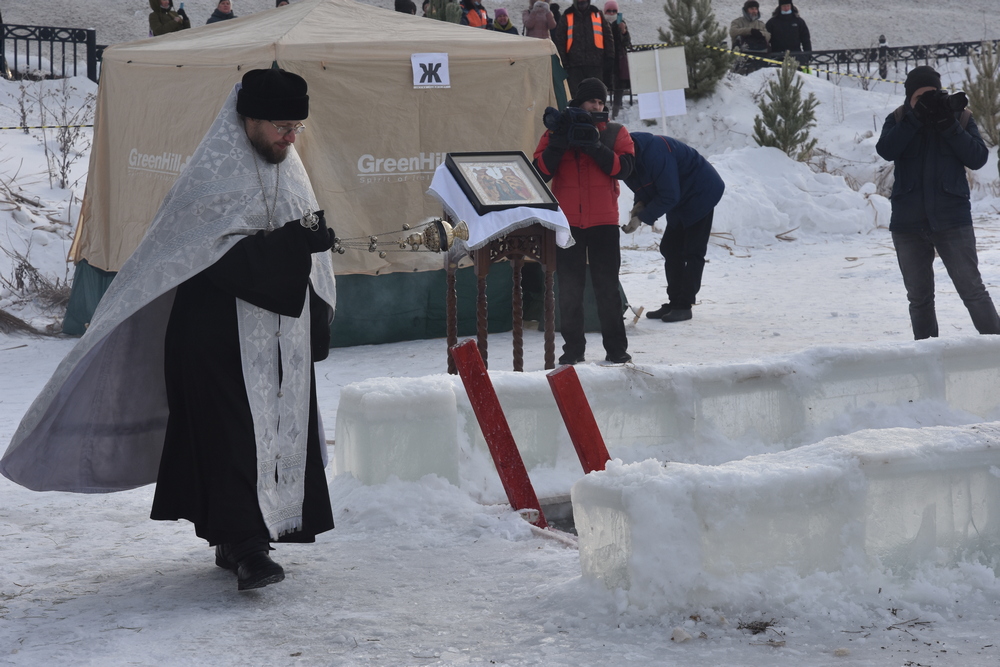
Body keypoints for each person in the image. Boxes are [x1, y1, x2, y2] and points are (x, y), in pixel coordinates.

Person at [0, 68, 338, 593]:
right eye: (281, 126)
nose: (290, 138)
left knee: (272, 436)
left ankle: (251, 536)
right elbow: (208, 257)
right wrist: (292, 245)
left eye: (297, 127)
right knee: (228, 438)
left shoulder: (290, 168)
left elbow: (303, 251)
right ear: (248, 119)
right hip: (215, 336)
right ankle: (246, 546)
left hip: (278, 336)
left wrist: (310, 267)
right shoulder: (210, 175)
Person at [875, 66, 1000, 340]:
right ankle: (928, 361)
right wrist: (914, 119)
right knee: (919, 299)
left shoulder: (961, 117)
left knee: (973, 291)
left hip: (952, 220)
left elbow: (978, 157)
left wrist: (949, 125)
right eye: (921, 97)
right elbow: (886, 150)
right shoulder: (897, 118)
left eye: (932, 94)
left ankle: (995, 352)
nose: (928, 101)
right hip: (908, 224)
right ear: (909, 97)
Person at [533, 78, 635, 364]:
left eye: (601, 102)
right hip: (568, 223)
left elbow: (624, 169)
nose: (598, 106)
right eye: (593, 101)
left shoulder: (615, 132)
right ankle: (573, 351)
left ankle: (616, 351)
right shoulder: (556, 129)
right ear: (579, 103)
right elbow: (539, 172)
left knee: (607, 288)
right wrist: (558, 144)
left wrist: (594, 146)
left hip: (604, 222)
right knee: (569, 289)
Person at [621, 133, 725, 323]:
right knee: (670, 248)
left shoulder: (655, 154)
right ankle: (674, 301)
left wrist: (642, 217)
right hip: (681, 196)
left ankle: (684, 305)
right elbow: (643, 186)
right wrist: (640, 205)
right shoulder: (627, 160)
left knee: (693, 250)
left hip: (701, 192)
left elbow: (669, 195)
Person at [553, 0, 615, 98]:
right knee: (576, 96)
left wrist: (610, 57)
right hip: (574, 65)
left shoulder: (597, 14)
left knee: (596, 95)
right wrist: (563, 62)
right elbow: (560, 40)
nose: (582, 3)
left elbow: (607, 36)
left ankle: (595, 113)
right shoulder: (567, 15)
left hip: (595, 64)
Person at [603, 1, 630, 119]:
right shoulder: (601, 23)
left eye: (614, 11)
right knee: (603, 84)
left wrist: (624, 32)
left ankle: (615, 111)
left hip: (618, 59)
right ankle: (603, 109)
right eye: (609, 10)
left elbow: (627, 43)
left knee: (619, 85)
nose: (612, 13)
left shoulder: (621, 23)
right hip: (605, 58)